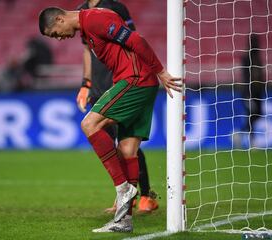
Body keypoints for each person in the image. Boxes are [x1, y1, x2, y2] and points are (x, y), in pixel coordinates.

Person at [38, 7, 181, 232]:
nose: (59, 39)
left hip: (135, 79)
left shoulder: (95, 19)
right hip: (139, 82)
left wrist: (160, 71)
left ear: (59, 18)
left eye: (55, 33)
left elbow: (136, 39)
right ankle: (124, 220)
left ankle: (123, 188)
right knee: (127, 151)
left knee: (89, 124)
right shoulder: (86, 30)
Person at [76, 0, 159, 214]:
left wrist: (137, 77)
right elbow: (86, 50)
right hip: (98, 86)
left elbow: (131, 42)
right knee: (113, 142)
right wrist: (86, 83)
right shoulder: (80, 12)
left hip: (121, 81)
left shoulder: (115, 8)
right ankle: (125, 198)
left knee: (127, 143)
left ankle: (146, 194)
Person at [235, 34, 265, 148]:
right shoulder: (246, 58)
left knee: (257, 114)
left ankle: (239, 133)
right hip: (248, 93)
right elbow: (246, 76)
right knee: (251, 115)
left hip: (258, 93)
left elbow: (261, 76)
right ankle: (252, 142)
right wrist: (248, 94)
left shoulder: (258, 58)